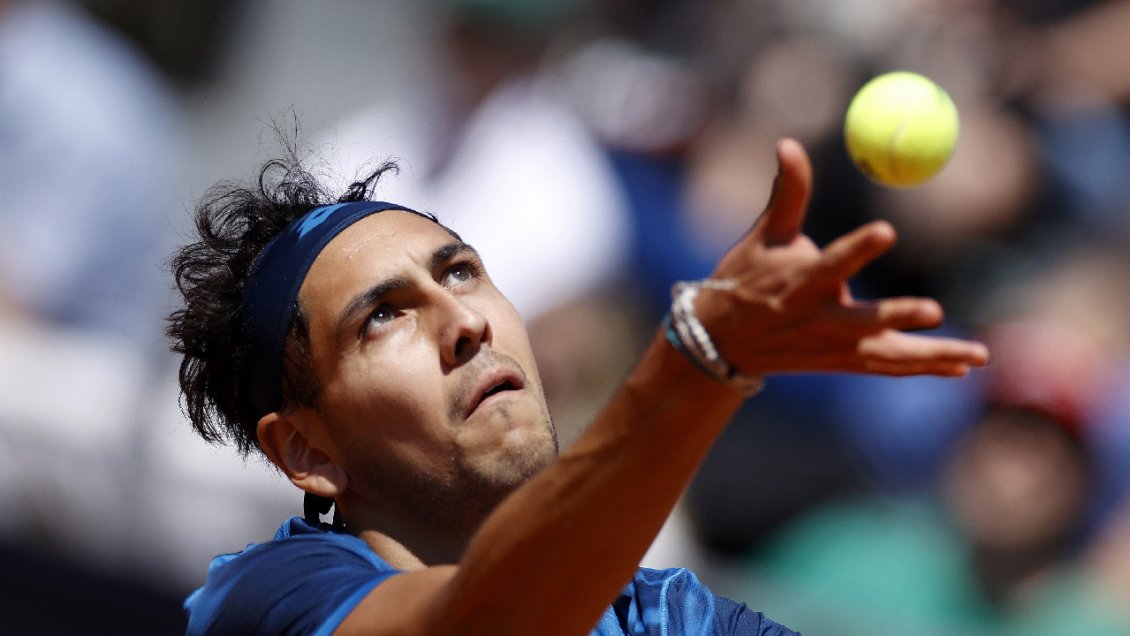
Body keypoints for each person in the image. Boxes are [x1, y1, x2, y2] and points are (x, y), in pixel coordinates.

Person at [168, 135, 988, 635]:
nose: (465, 321)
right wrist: (699, 363)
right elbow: (487, 625)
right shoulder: (268, 601)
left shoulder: (672, 620)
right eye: (382, 317)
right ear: (305, 450)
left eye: (461, 273)